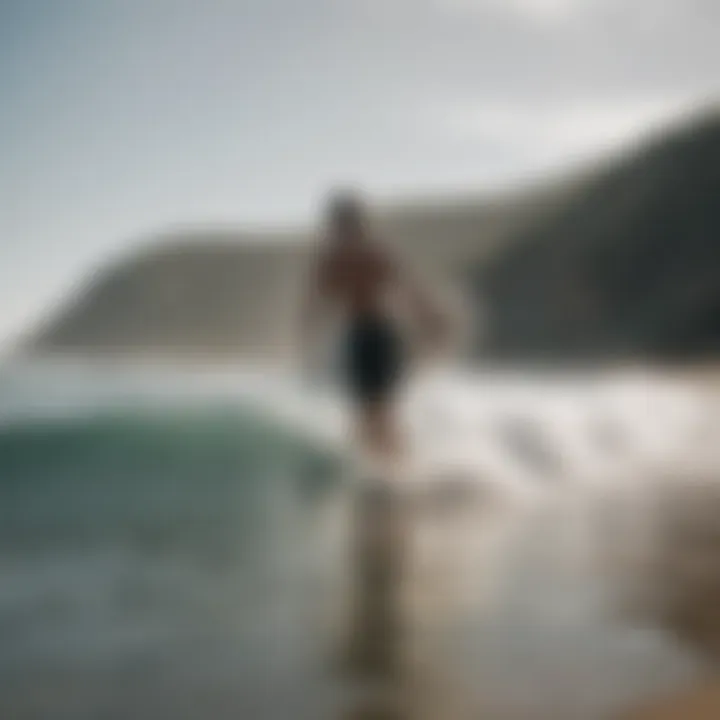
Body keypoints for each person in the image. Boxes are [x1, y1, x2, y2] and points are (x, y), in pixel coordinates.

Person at [300, 190, 447, 470]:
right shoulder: (336, 262)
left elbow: (409, 290)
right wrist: (307, 345)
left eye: (343, 224)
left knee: (377, 412)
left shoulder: (364, 257)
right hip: (367, 337)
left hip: (377, 337)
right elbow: (314, 307)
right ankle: (389, 473)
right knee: (370, 414)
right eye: (339, 224)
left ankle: (398, 472)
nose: (340, 230)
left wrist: (429, 321)